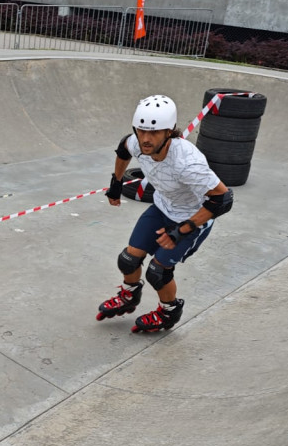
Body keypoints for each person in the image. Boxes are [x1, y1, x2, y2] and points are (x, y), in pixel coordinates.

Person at [97, 94, 233, 333]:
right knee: (128, 259)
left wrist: (182, 230)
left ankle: (169, 311)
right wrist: (116, 183)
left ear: (169, 132)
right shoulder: (137, 143)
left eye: (154, 133)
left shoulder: (187, 163)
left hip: (192, 218)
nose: (146, 139)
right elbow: (123, 148)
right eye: (141, 131)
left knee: (158, 272)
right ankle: (129, 296)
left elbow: (222, 199)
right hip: (162, 207)